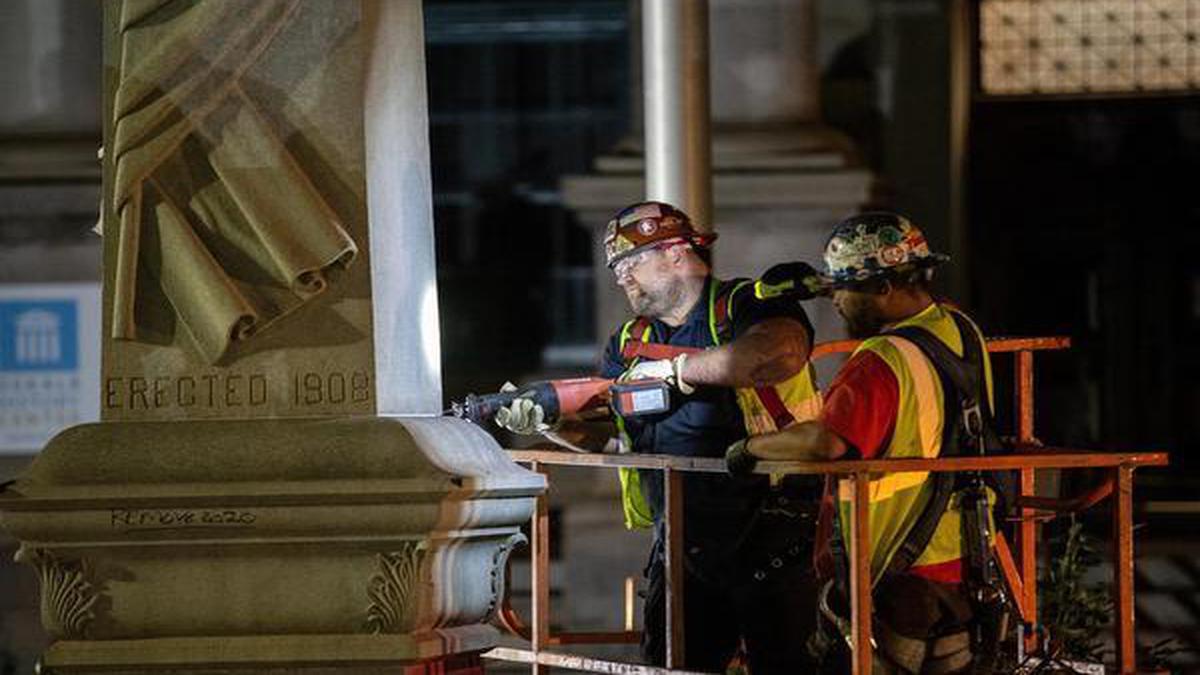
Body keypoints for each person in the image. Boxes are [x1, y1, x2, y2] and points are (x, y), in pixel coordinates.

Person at [497, 200, 824, 673]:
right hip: (682, 546)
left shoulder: (745, 303)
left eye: (631, 261)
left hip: (777, 537)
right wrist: (550, 424)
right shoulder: (628, 342)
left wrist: (678, 371)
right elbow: (612, 433)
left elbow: (777, 354)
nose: (620, 276)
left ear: (675, 252)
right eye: (614, 266)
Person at [725, 212, 997, 674]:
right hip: (962, 558)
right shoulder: (960, 331)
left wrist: (748, 450)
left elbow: (825, 443)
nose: (837, 304)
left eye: (844, 290)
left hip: (895, 566)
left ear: (884, 288)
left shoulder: (881, 357)